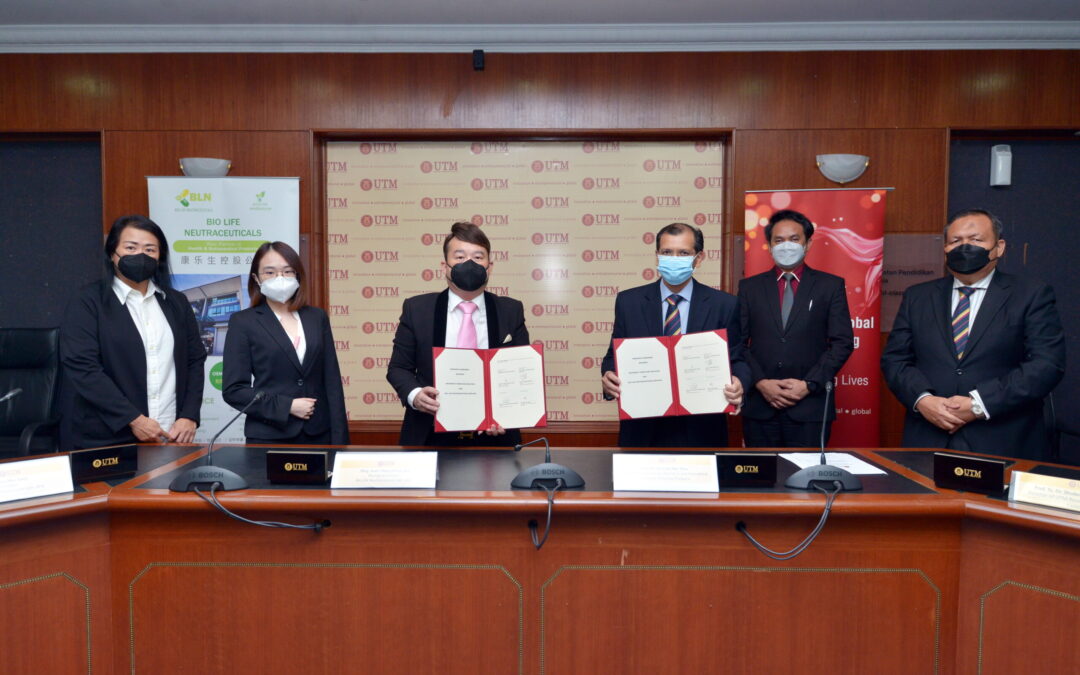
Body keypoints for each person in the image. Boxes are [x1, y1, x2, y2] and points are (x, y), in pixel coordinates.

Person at [881, 209, 1065, 459]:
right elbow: (895, 360)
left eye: (976, 240)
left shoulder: (1031, 294)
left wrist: (979, 404)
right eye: (956, 241)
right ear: (945, 249)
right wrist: (923, 400)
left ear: (998, 247)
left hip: (1003, 440)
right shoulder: (918, 296)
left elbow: (1047, 365)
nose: (965, 247)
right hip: (928, 437)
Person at [60, 215, 206, 449]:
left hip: (170, 433)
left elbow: (195, 360)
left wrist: (189, 415)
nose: (141, 255)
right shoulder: (88, 301)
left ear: (160, 257)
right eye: (130, 247)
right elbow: (83, 367)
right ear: (112, 254)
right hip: (108, 434)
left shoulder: (176, 302)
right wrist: (133, 419)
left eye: (150, 249)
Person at [601, 222, 749, 447]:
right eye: (667, 252)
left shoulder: (724, 305)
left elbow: (738, 358)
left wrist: (740, 382)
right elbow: (613, 356)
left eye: (683, 253)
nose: (674, 258)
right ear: (657, 256)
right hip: (642, 430)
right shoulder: (628, 302)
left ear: (698, 258)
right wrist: (609, 376)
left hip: (702, 431)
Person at [387, 221, 529, 446]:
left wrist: (507, 412)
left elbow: (520, 374)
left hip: (495, 437)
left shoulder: (510, 311)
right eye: (460, 257)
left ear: (489, 266)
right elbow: (398, 368)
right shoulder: (417, 309)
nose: (469, 264)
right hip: (428, 435)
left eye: (478, 257)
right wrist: (416, 396)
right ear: (445, 265)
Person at [738, 209, 854, 447]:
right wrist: (760, 382)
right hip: (760, 406)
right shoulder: (749, 288)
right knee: (759, 480)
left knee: (806, 480)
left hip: (809, 408)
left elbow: (842, 342)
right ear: (769, 246)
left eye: (794, 239)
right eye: (778, 240)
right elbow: (738, 342)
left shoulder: (830, 286)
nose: (786, 246)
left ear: (808, 243)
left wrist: (809, 384)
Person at [222, 241, 349, 445]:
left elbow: (332, 382)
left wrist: (341, 441)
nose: (279, 278)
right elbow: (234, 390)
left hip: (318, 434)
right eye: (269, 272)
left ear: (297, 275)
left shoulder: (316, 317)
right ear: (256, 278)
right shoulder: (243, 322)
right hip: (269, 436)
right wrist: (287, 406)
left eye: (287, 271)